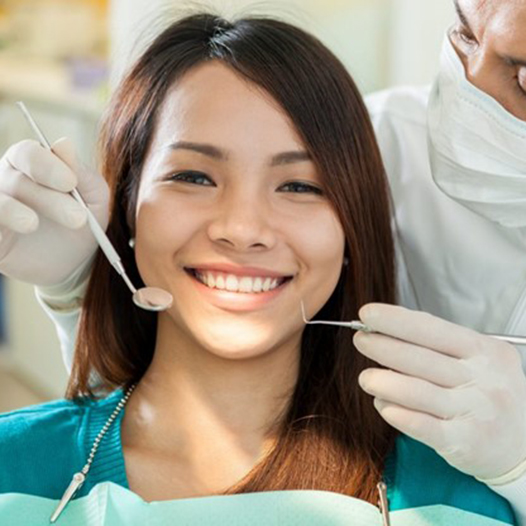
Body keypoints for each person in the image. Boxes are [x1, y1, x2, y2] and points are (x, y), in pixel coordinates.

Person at [0, 11, 516, 524]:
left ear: (353, 232)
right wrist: (77, 290)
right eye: (194, 176)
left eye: (299, 186)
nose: (243, 229)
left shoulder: (452, 499)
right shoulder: (16, 469)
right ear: (127, 205)